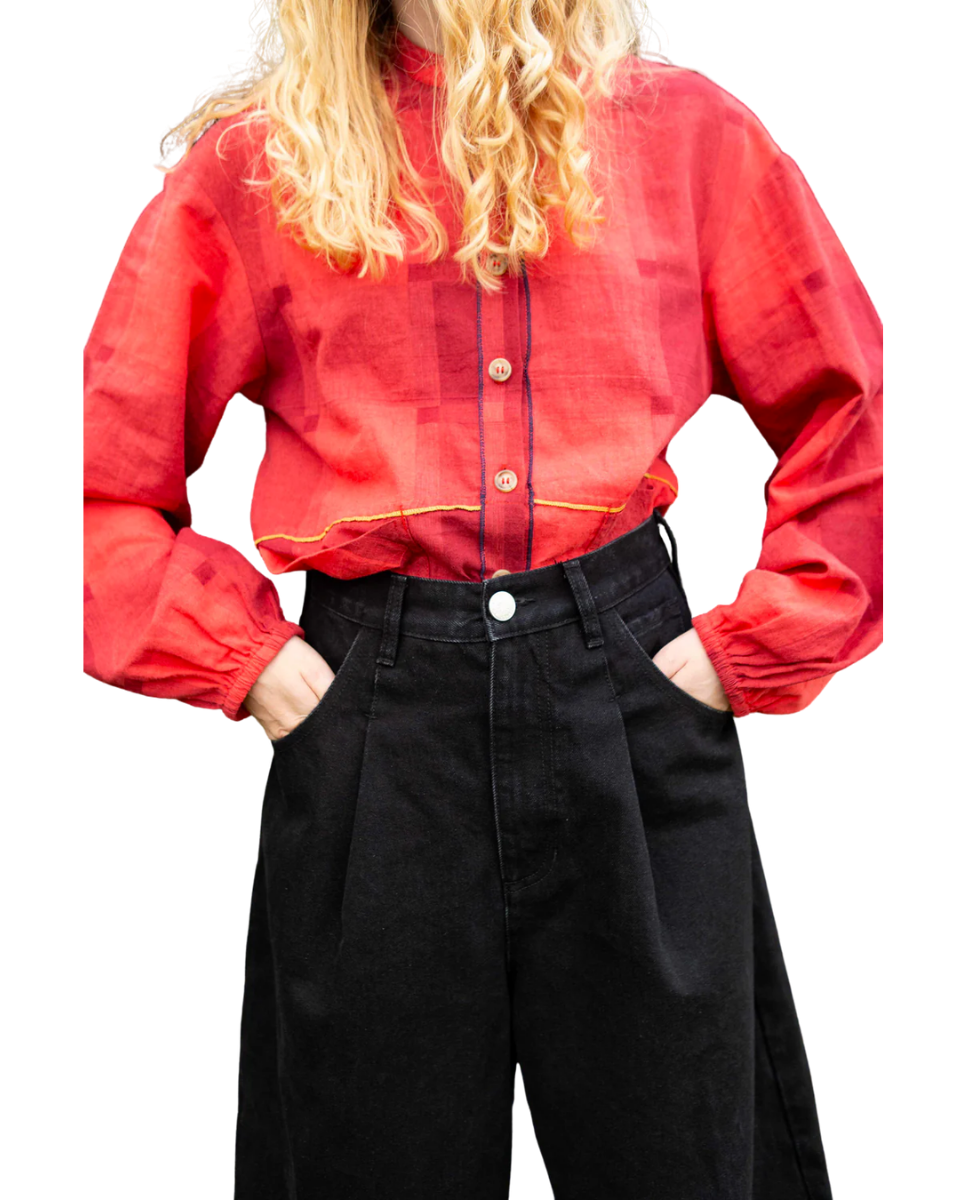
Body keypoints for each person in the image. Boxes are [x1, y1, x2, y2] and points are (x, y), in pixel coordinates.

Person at [82, 1, 883, 1196]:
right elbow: (103, 476)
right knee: (373, 1158)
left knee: (683, 1147)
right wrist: (249, 660)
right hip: (378, 721)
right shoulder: (260, 163)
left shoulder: (687, 134)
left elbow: (853, 404)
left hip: (629, 695)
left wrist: (763, 639)